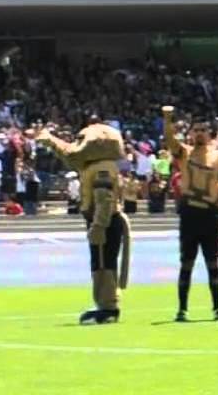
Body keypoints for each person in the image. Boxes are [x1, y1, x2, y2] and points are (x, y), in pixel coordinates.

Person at [36, 118, 132, 324]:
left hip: (104, 221)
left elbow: (104, 199)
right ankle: (105, 304)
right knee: (100, 262)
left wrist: (98, 225)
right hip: (102, 219)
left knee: (104, 262)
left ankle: (108, 307)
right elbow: (70, 154)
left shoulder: (101, 168)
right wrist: (52, 141)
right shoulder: (96, 165)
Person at [162, 106, 218, 321]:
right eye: (196, 130)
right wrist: (167, 118)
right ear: (191, 133)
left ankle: (217, 309)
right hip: (189, 214)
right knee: (187, 262)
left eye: (203, 129)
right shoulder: (183, 152)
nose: (200, 133)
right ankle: (182, 309)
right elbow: (169, 139)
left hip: (210, 215)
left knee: (212, 262)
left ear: (209, 133)